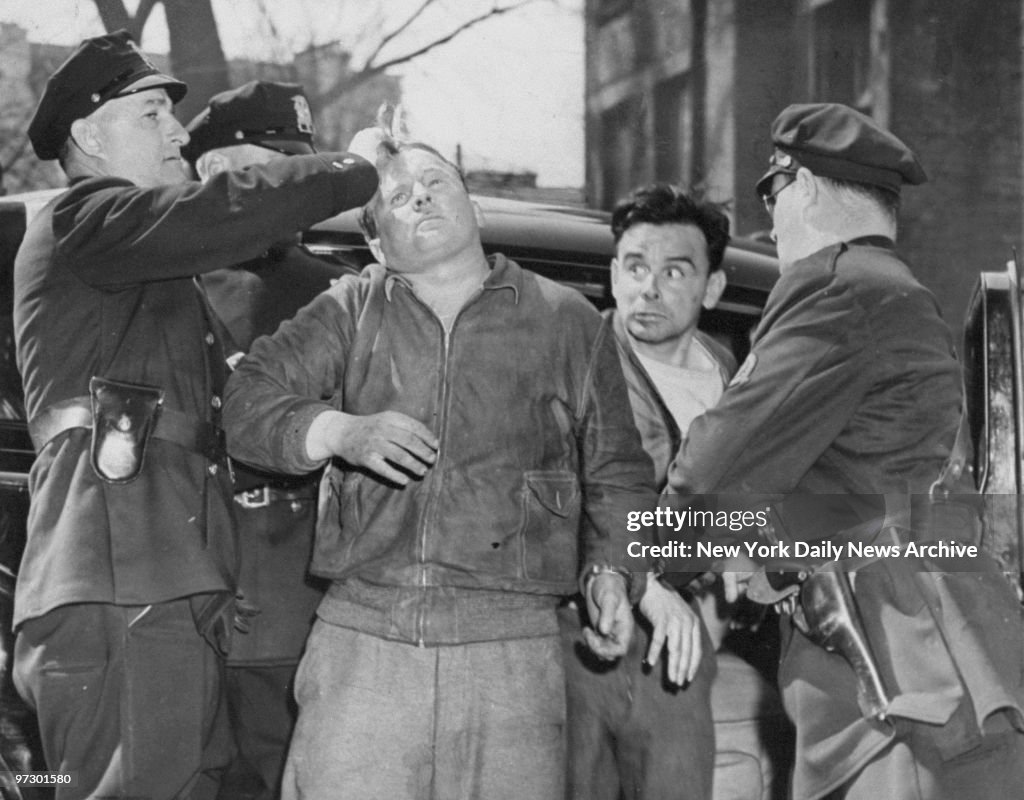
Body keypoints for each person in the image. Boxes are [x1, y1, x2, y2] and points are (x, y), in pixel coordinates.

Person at [221, 122, 679, 799]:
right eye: (398, 197)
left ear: (475, 208)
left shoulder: (567, 320)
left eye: (436, 183)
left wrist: (611, 573)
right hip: (364, 642)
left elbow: (618, 473)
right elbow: (247, 403)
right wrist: (336, 430)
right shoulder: (349, 308)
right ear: (375, 238)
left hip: (512, 654)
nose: (422, 199)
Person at [11, 30, 377, 800]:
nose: (177, 130)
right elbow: (223, 210)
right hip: (121, 574)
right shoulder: (87, 219)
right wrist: (358, 167)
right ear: (87, 135)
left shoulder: (139, 259)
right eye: (150, 113)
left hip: (160, 579)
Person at [667, 102, 1024, 799]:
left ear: (802, 185)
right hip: (939, 643)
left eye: (772, 194)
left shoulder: (833, 285)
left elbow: (715, 469)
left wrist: (643, 558)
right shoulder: (896, 290)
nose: (771, 222)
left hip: (891, 666)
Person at [183, 79, 354, 800]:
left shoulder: (345, 291)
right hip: (195, 595)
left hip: (303, 601)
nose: (291, 188)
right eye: (270, 167)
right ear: (213, 172)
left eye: (296, 168)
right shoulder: (156, 285)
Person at [558, 183, 731, 800]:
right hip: (581, 636)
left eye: (673, 271)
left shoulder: (733, 374)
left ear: (712, 287)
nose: (648, 288)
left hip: (681, 648)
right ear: (612, 274)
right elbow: (560, 498)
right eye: (634, 267)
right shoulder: (574, 361)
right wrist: (646, 585)